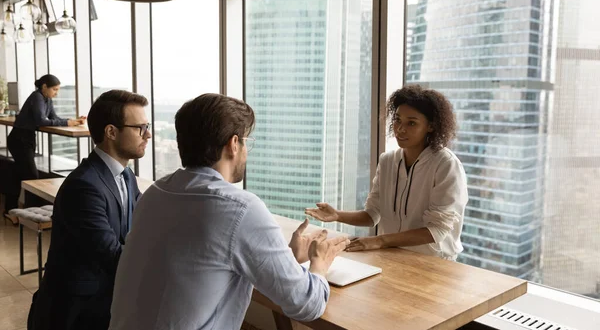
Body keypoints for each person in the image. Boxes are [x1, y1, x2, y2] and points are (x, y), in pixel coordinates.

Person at [108, 93, 349, 330]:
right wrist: (320, 263)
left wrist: (286, 258)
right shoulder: (240, 208)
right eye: (246, 141)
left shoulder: (156, 193)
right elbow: (307, 304)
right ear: (234, 144)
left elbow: (204, 263)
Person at [27, 90, 152, 330]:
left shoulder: (126, 176)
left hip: (104, 305)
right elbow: (112, 255)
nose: (148, 134)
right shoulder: (84, 186)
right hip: (74, 314)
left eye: (147, 126)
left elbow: (145, 223)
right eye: (140, 128)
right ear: (111, 132)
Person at [306, 85, 468, 260]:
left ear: (431, 126)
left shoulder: (446, 165)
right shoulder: (387, 161)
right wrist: (337, 215)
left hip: (434, 264)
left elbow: (438, 230)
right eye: (398, 120)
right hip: (392, 256)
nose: (400, 129)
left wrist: (379, 240)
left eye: (411, 123)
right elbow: (372, 215)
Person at [5, 74, 85, 212]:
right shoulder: (37, 97)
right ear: (44, 87)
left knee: (19, 174)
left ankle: (10, 210)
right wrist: (66, 122)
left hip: (27, 139)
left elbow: (54, 117)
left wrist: (73, 120)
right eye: (54, 89)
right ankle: (32, 211)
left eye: (58, 90)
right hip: (19, 139)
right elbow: (41, 121)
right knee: (31, 176)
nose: (56, 93)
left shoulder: (47, 99)